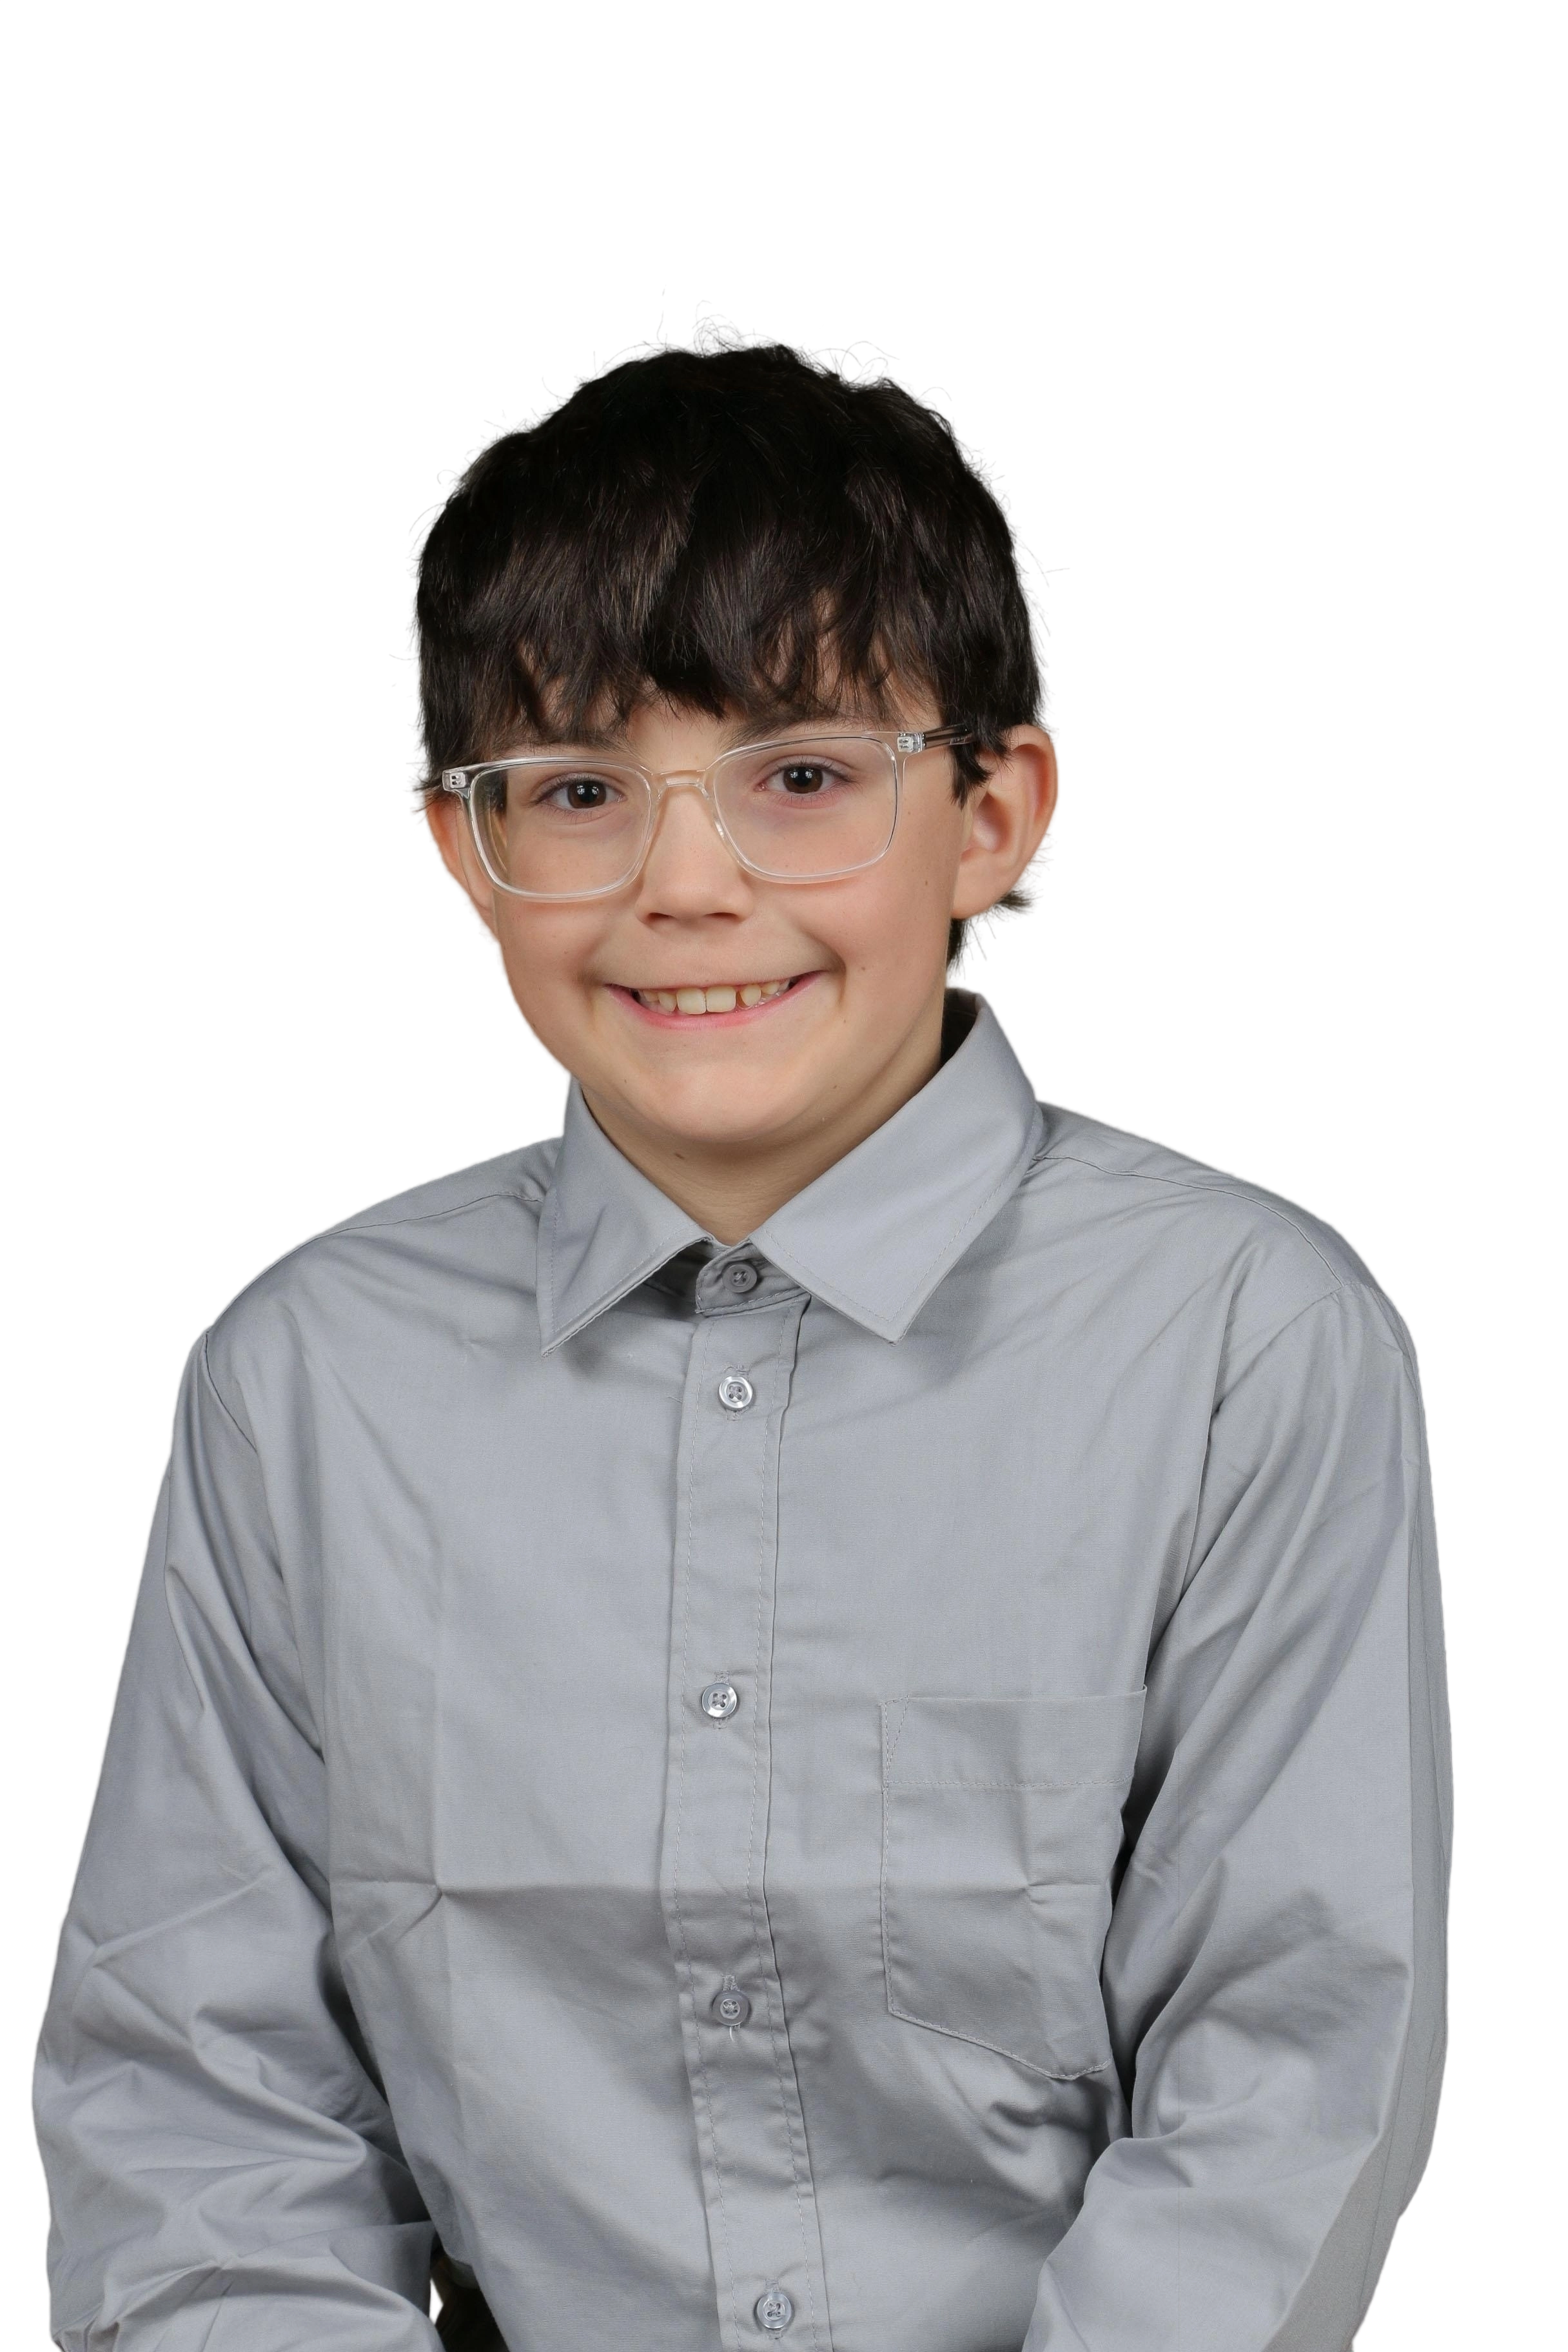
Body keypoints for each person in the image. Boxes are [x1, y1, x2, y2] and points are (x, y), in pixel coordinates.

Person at [30, 303, 1453, 2352]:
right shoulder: (309, 1378)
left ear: (995, 812)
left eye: (799, 776)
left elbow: (1287, 2075)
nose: (684, 886)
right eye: (576, 788)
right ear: (460, 849)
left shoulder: (1243, 1342)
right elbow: (200, 2095)